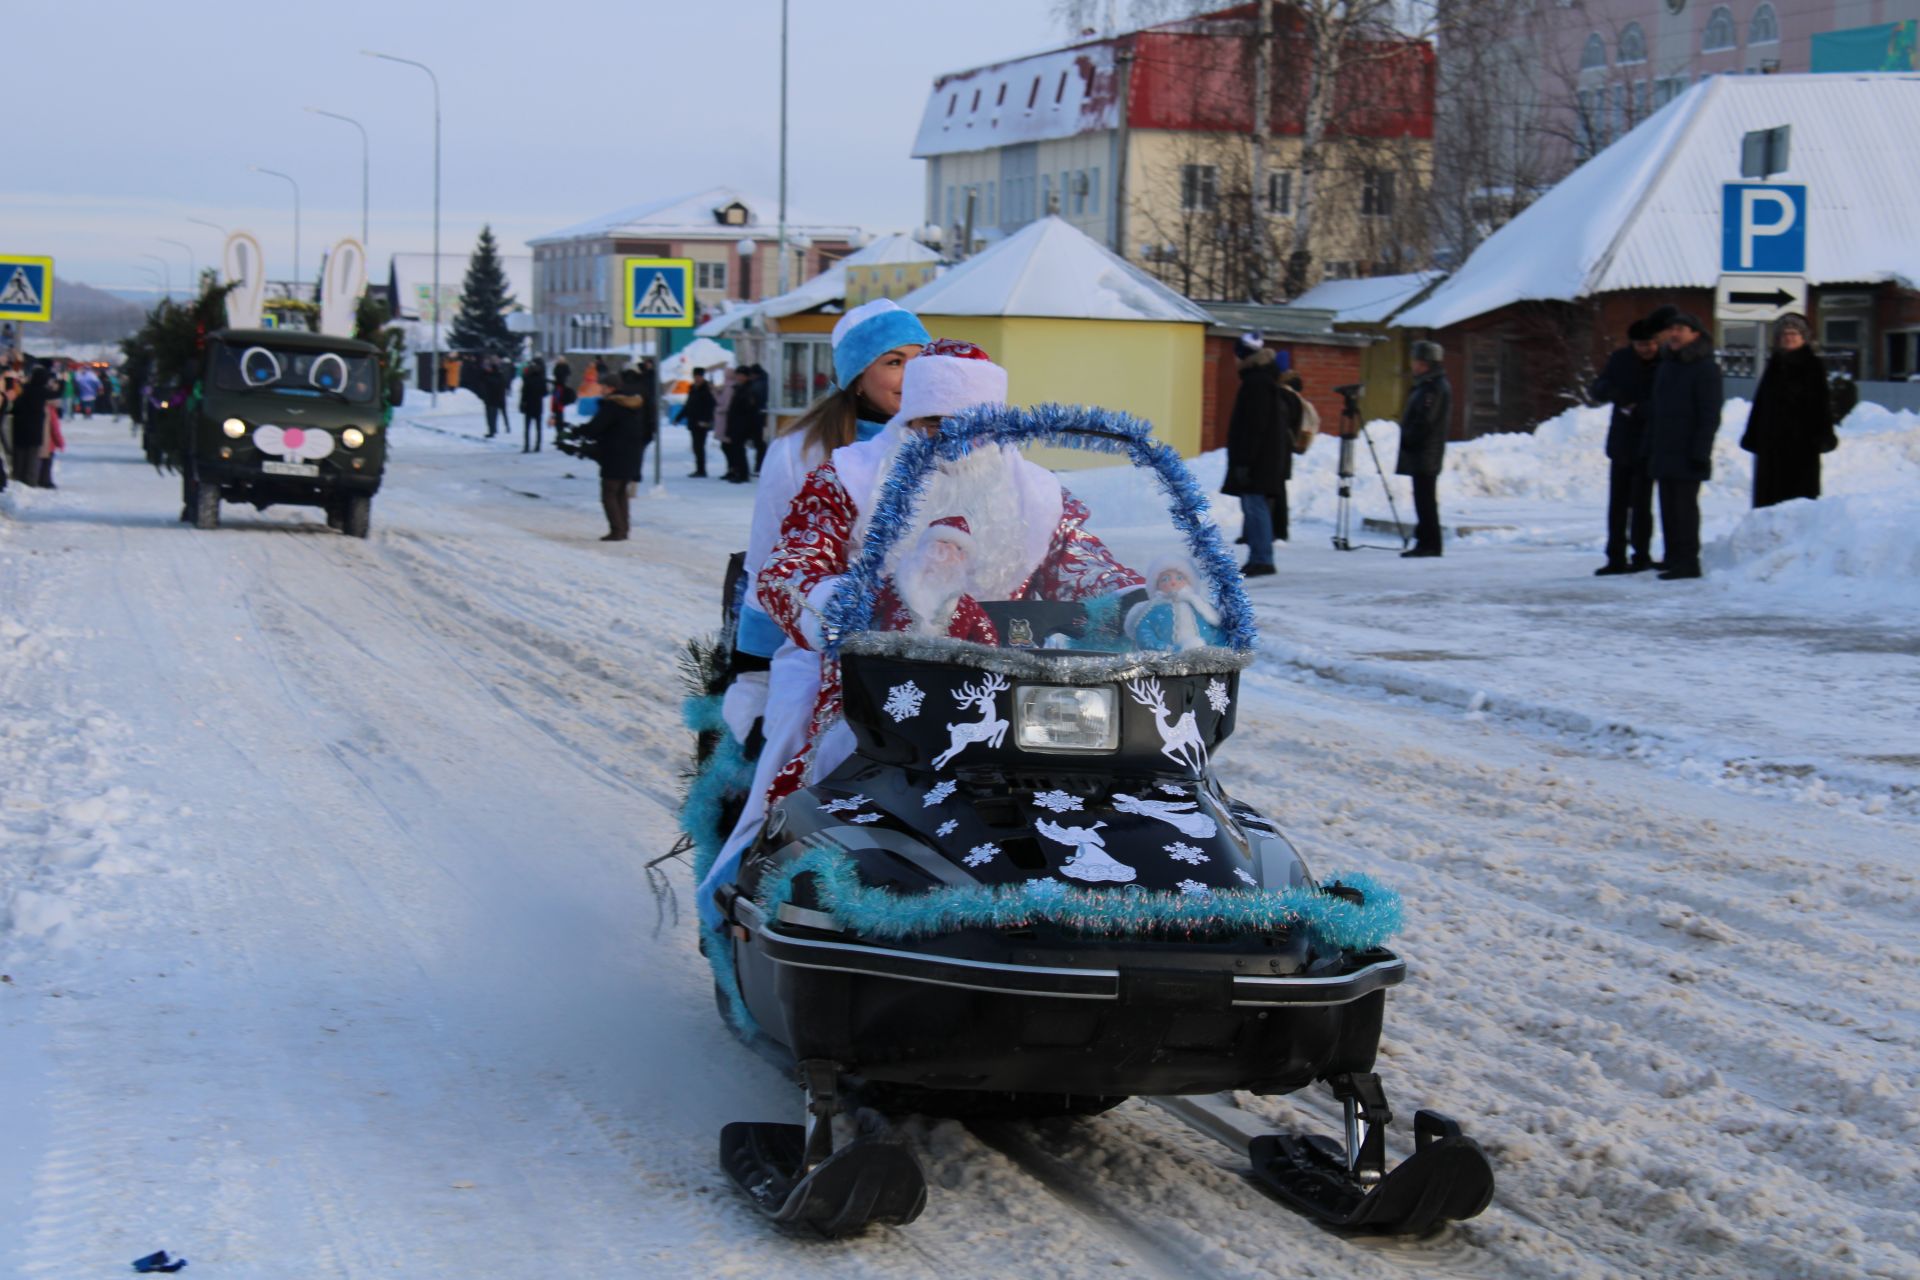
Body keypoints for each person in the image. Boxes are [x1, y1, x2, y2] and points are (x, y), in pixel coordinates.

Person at [756, 338, 1143, 805]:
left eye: (970, 424)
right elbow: (790, 569)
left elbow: (1083, 564)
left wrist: (1139, 605)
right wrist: (859, 608)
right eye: (934, 421)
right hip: (878, 677)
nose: (952, 437)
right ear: (909, 421)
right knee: (804, 765)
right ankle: (762, 856)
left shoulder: (1037, 492)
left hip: (1018, 687)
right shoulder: (850, 477)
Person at [700, 301, 929, 928]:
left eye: (919, 359)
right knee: (808, 763)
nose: (909, 375)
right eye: (892, 361)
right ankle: (758, 898)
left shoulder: (946, 441)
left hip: (931, 656)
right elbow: (772, 565)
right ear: (855, 376)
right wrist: (752, 671)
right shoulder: (803, 451)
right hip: (824, 650)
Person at [1643, 312, 1723, 580]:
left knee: (1684, 508)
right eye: (1672, 329)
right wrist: (1649, 444)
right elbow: (1657, 409)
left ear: (1695, 334)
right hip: (1665, 448)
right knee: (1667, 506)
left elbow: (1709, 414)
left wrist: (1701, 450)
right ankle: (1673, 556)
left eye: (1681, 329)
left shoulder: (1705, 368)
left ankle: (1688, 561)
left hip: (1688, 450)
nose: (1674, 334)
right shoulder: (1668, 364)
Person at [1588, 318, 1664, 574]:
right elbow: (1597, 389)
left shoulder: (1665, 362)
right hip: (1622, 441)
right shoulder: (1620, 360)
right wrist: (1612, 392)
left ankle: (1641, 555)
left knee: (1642, 504)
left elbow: (1668, 401)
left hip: (1649, 439)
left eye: (1652, 343)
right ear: (1633, 344)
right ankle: (1615, 557)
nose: (1648, 349)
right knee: (1618, 504)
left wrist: (1642, 409)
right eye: (1642, 344)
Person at [1740, 313, 1834, 508]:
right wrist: (1753, 434)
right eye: (1784, 334)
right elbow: (1761, 403)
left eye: (1794, 333)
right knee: (1769, 500)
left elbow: (1822, 406)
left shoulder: (1813, 366)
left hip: (1801, 445)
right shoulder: (1774, 364)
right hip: (1771, 445)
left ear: (1803, 337)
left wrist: (1823, 435)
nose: (1788, 337)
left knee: (1797, 502)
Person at [1220, 330, 1290, 577]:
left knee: (1256, 507)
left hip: (1258, 460)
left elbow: (1254, 426)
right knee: (1253, 507)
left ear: (1243, 355)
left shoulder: (1256, 383)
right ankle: (1258, 556)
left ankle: (1262, 558)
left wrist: (1245, 461)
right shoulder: (1260, 379)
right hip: (1261, 459)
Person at [575, 368, 653, 542]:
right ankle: (623, 529)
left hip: (615, 454)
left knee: (609, 493)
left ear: (610, 387)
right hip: (631, 454)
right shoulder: (632, 405)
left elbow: (596, 428)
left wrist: (579, 431)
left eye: (603, 386)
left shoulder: (612, 405)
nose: (601, 390)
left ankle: (616, 530)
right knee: (621, 493)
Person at [1396, 339, 1453, 558]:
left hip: (1426, 452)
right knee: (1423, 498)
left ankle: (1430, 544)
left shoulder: (1434, 388)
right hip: (1424, 452)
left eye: (1418, 361)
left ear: (1427, 363)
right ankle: (1426, 540)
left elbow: (1426, 421)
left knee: (1425, 499)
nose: (1414, 365)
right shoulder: (1427, 385)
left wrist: (1410, 438)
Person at [9, 364, 51, 488]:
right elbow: (56, 394)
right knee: (32, 457)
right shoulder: (42, 391)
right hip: (35, 428)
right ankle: (30, 481)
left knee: (19, 456)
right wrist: (63, 381)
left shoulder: (24, 389)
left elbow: (15, 406)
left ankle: (18, 479)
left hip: (19, 426)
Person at [673, 365, 718, 477]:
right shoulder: (692, 388)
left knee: (699, 446)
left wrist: (706, 420)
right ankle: (699, 469)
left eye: (699, 376)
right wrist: (678, 418)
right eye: (696, 376)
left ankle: (701, 470)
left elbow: (711, 406)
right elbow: (688, 406)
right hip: (693, 421)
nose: (697, 378)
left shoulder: (707, 389)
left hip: (702, 422)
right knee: (696, 446)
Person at [720, 366, 761, 483]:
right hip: (735, 424)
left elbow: (749, 409)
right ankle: (737, 471)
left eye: (741, 375)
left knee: (738, 450)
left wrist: (749, 427)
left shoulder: (750, 389)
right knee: (733, 448)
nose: (739, 377)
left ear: (746, 376)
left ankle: (742, 473)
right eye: (737, 375)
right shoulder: (739, 388)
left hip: (743, 425)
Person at [518, 356, 548, 452]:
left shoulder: (527, 379)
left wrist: (522, 404)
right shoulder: (541, 379)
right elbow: (545, 393)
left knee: (527, 427)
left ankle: (526, 446)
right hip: (538, 405)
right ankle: (538, 446)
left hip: (528, 405)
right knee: (538, 427)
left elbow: (523, 393)